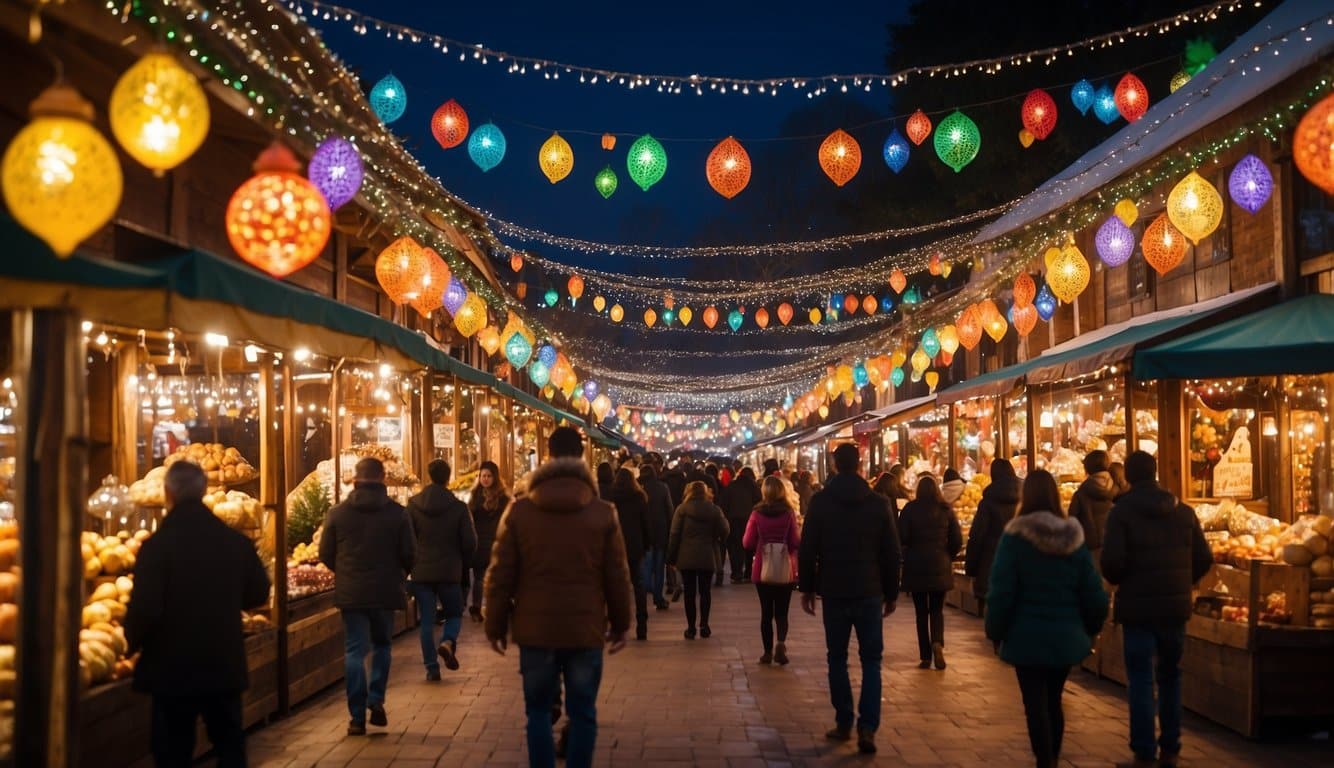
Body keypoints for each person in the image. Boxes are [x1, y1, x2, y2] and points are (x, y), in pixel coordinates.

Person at [484, 426, 633, 768]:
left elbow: (500, 574)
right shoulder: (602, 512)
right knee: (583, 713)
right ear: (582, 457)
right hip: (585, 628)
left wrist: (494, 626)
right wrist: (622, 623)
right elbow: (617, 574)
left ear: (547, 457)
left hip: (535, 629)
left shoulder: (520, 511)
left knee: (537, 712)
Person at [125, 461, 270, 767]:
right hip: (222, 661)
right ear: (204, 491)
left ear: (167, 493)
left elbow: (144, 609)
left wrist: (132, 645)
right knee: (230, 746)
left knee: (172, 752)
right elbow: (258, 593)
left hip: (170, 667)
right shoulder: (235, 542)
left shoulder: (155, 548)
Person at [985, 469, 1109, 768]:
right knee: (1054, 699)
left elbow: (1002, 590)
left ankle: (1045, 760)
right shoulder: (1074, 537)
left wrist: (995, 630)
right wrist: (1091, 628)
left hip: (1024, 636)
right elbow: (1092, 590)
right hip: (1065, 636)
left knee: (1034, 704)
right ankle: (1051, 756)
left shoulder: (1015, 537)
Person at [1101, 451, 1212, 768]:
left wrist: (1123, 580)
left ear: (1130, 478)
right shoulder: (1184, 512)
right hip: (1174, 608)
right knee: (1170, 677)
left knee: (1140, 679)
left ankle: (1145, 750)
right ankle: (1171, 748)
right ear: (1156, 473)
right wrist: (1182, 582)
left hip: (1137, 609)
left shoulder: (1120, 513)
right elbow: (1204, 557)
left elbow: (1111, 563)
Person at [798, 443, 901, 755]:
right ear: (859, 464)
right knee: (871, 660)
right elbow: (891, 552)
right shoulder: (878, 503)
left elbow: (808, 548)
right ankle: (867, 726)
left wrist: (807, 587)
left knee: (837, 657)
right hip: (869, 590)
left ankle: (844, 720)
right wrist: (891, 592)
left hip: (835, 590)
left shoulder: (820, 502)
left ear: (833, 465)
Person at [319, 458, 415, 735]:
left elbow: (325, 553)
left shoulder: (337, 513)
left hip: (352, 593)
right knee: (383, 646)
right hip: (385, 590)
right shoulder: (398, 513)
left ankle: (357, 717)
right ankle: (376, 699)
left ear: (356, 481)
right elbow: (410, 553)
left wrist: (346, 572)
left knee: (354, 650)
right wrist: (399, 574)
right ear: (383, 479)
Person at [406, 459, 477, 680]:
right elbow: (469, 542)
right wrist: (464, 561)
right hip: (449, 570)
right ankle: (447, 641)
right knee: (454, 613)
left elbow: (407, 540)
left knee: (426, 620)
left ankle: (431, 668)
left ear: (429, 475)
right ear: (448, 478)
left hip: (422, 571)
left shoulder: (413, 505)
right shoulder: (458, 507)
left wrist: (411, 563)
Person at [898, 475, 963, 671]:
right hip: (939, 563)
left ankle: (925, 655)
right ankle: (937, 642)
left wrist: (908, 553)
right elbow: (957, 540)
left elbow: (902, 537)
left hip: (916, 565)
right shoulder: (946, 510)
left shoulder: (910, 509)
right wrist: (947, 555)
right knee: (937, 609)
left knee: (920, 611)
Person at [742, 475, 800, 666]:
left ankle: (766, 652)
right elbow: (795, 542)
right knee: (782, 611)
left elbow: (747, 542)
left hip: (762, 568)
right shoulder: (789, 513)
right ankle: (781, 644)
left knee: (766, 612)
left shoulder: (756, 514)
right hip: (785, 568)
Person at [667, 481, 729, 639]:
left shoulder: (682, 510)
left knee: (689, 593)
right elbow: (725, 529)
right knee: (705, 592)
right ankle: (704, 625)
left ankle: (691, 627)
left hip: (686, 556)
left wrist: (671, 558)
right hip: (707, 555)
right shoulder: (714, 510)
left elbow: (674, 535)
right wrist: (717, 538)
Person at [965, 458, 1021, 618]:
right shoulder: (1025, 496)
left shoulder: (987, 501)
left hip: (991, 562)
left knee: (993, 614)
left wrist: (972, 568)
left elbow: (977, 536)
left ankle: (996, 638)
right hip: (1019, 560)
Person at [609, 467, 652, 640]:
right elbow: (646, 524)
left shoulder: (611, 498)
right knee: (639, 585)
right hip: (635, 547)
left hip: (616, 548)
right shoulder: (639, 498)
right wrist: (647, 544)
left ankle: (617, 625)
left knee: (616, 586)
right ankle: (642, 625)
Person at [466, 460, 509, 622]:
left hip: (497, 541)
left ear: (495, 477)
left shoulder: (503, 497)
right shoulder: (475, 496)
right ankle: (476, 607)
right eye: (482, 475)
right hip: (479, 542)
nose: (485, 479)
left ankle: (495, 608)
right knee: (478, 578)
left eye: (489, 476)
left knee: (496, 578)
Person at [1068, 450, 1116, 566]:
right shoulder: (1117, 487)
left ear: (1087, 468)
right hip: (1113, 543)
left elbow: (1071, 520)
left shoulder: (1081, 492)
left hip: (1089, 546)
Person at [639, 463, 674, 610]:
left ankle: (647, 590)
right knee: (659, 567)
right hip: (660, 531)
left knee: (646, 565)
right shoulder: (662, 487)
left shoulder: (638, 488)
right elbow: (669, 509)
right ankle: (658, 598)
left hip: (643, 532)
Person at [723, 467, 762, 583]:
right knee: (749, 546)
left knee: (735, 546)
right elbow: (759, 502)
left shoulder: (731, 485)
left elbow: (724, 503)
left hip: (733, 520)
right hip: (750, 519)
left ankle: (736, 573)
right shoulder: (754, 487)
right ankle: (748, 572)